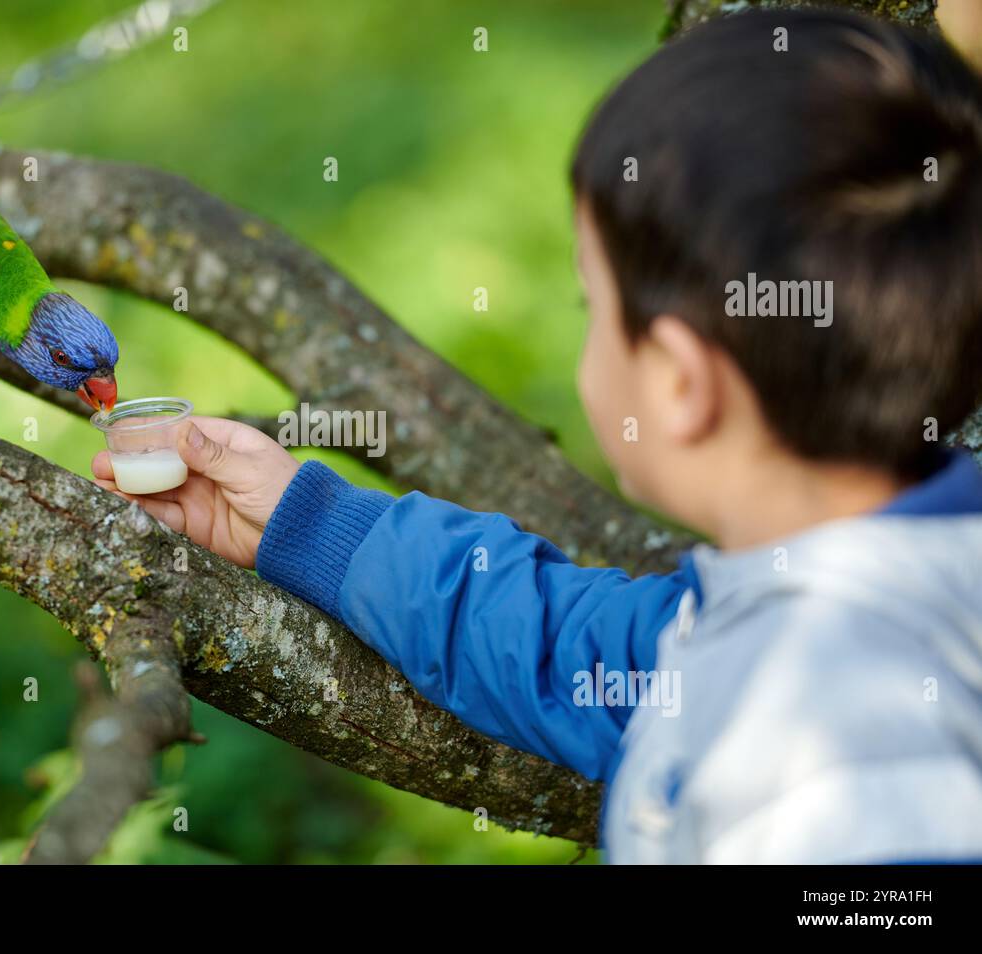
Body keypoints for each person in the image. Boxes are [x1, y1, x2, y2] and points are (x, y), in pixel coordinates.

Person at [93, 9, 982, 863]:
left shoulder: (839, 744)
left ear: (678, 383)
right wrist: (308, 523)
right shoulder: (811, 610)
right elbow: (564, 649)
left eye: (592, 309)